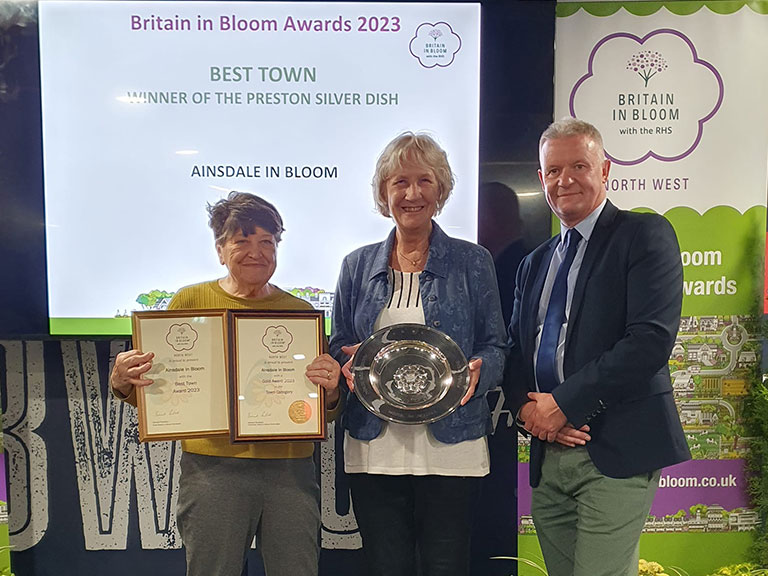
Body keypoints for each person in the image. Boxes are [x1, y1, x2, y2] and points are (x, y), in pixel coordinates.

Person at [110, 191, 341, 576]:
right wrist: (122, 381)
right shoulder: (190, 302)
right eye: (242, 241)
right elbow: (163, 388)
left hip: (290, 469)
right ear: (220, 249)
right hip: (212, 470)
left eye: (267, 242)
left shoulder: (300, 313)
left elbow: (322, 407)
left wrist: (330, 392)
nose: (256, 252)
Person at [504, 118, 690, 576]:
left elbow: (649, 341)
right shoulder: (534, 263)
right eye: (553, 170)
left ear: (604, 170)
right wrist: (529, 412)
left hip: (615, 449)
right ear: (541, 178)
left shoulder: (644, 235)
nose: (564, 180)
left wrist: (564, 405)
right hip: (548, 454)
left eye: (578, 166)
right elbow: (515, 352)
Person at [329, 132, 507, 576]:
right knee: (385, 565)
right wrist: (347, 364)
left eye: (424, 180)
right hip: (373, 444)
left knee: (446, 566)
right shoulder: (356, 265)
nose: (412, 194)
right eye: (400, 182)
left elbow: (496, 345)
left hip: (453, 442)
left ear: (440, 189)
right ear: (383, 193)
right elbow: (339, 342)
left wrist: (481, 372)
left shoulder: (473, 261)